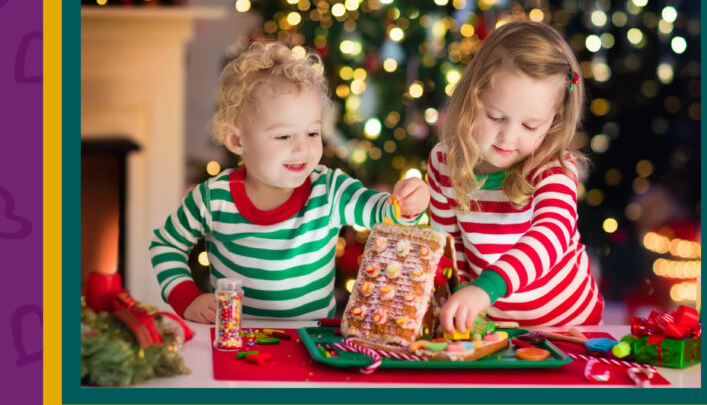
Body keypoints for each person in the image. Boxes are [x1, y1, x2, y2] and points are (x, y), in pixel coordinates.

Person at [150, 42, 429, 323]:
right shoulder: (214, 198)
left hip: (310, 343)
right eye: (284, 136)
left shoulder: (328, 190)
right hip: (235, 340)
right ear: (237, 140)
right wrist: (188, 299)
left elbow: (380, 211)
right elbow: (166, 245)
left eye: (312, 133)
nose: (303, 149)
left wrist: (406, 204)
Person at [428, 21, 603, 332]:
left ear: (553, 121)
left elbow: (550, 237)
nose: (507, 137)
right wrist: (457, 305)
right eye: (495, 116)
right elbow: (447, 247)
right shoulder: (445, 162)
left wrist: (486, 289)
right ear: (472, 96)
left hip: (569, 327)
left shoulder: (554, 170)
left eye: (529, 126)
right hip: (494, 329)